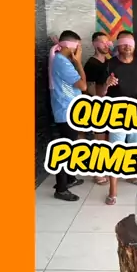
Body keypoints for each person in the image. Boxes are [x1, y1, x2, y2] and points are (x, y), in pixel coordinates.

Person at [103, 30, 137, 205]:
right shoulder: (110, 64)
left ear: (134, 46)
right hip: (117, 114)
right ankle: (112, 190)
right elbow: (99, 92)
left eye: (130, 43)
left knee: (135, 147)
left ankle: (131, 175)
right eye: (123, 43)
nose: (127, 47)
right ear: (118, 45)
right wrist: (106, 85)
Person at [48, 30, 88, 201]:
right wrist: (78, 62)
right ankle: (61, 189)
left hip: (66, 110)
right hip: (65, 112)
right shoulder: (62, 62)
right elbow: (83, 86)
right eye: (79, 46)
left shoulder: (61, 60)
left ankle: (70, 179)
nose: (80, 50)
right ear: (72, 47)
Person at [83, 32, 113, 185]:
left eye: (108, 42)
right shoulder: (91, 64)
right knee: (99, 140)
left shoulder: (109, 62)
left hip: (110, 106)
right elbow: (89, 87)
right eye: (102, 42)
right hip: (97, 106)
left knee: (107, 140)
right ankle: (98, 172)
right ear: (94, 44)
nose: (106, 45)